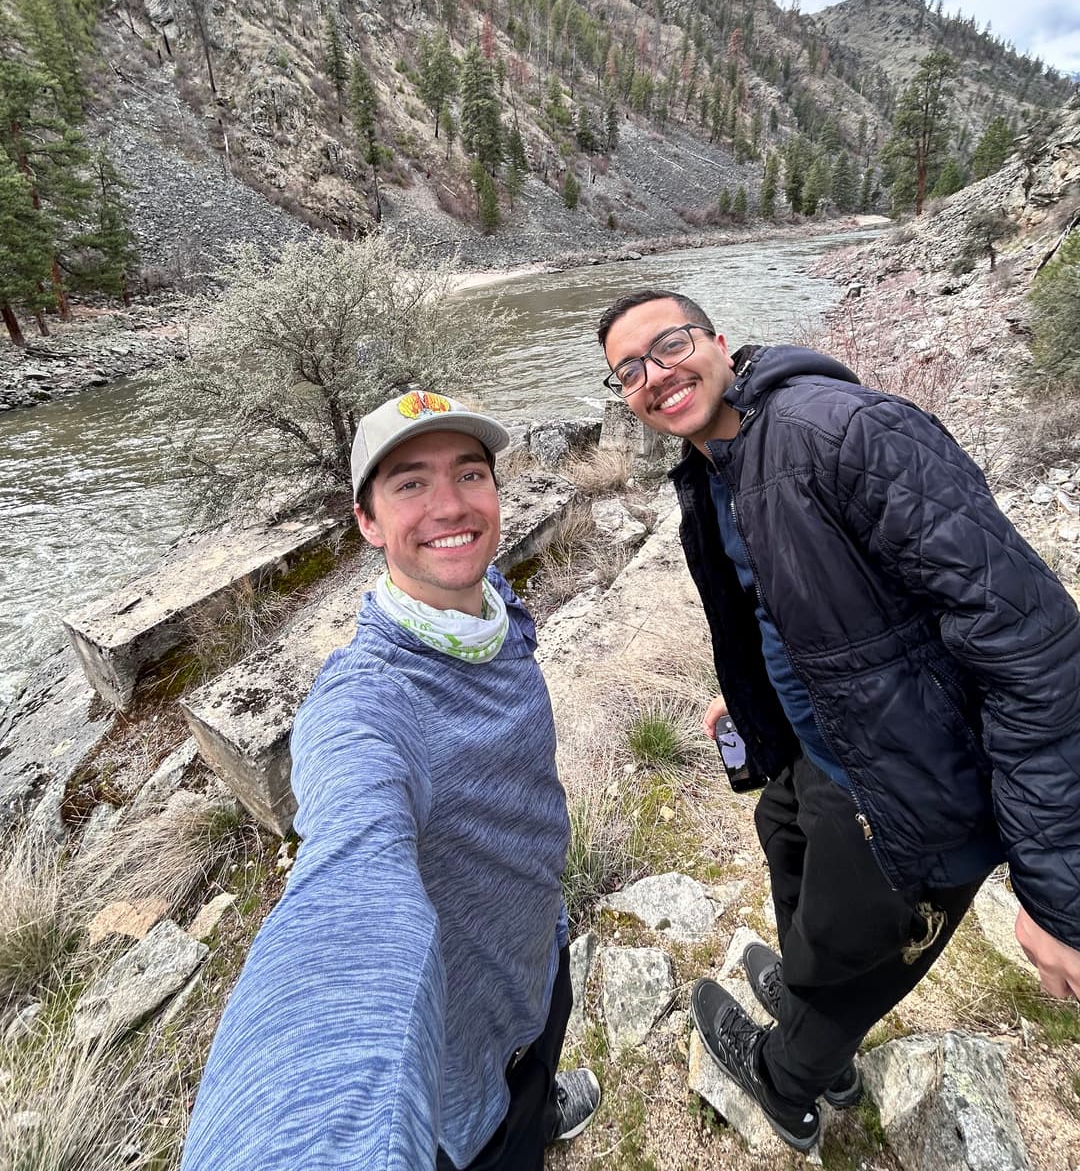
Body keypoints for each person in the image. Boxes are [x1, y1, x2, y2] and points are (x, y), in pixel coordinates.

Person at [597, 290, 1080, 1154]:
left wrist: (1058, 894)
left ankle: (791, 1081)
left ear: (719, 340)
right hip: (830, 743)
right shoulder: (720, 458)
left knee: (875, 943)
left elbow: (1033, 648)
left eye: (668, 346)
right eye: (628, 372)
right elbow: (789, 599)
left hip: (913, 776)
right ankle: (809, 990)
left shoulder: (845, 431)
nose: (654, 376)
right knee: (785, 836)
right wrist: (751, 693)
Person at [181, 389, 601, 1171]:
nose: (450, 506)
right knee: (496, 1133)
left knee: (539, 1052)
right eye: (410, 483)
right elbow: (349, 877)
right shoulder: (369, 702)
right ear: (367, 522)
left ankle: (538, 1101)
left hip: (535, 952)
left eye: (470, 474)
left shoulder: (491, 607)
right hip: (454, 1071)